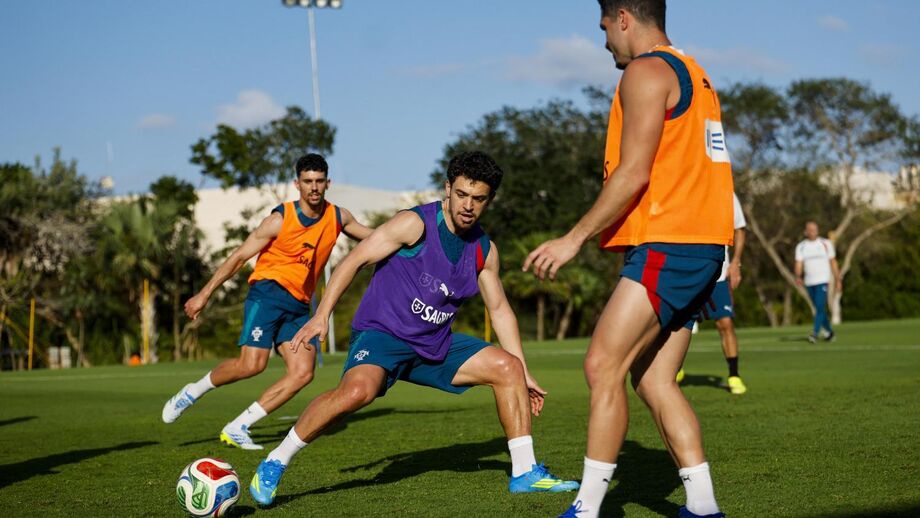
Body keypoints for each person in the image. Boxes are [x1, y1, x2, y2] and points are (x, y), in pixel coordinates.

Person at [248, 151, 579, 506]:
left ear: (490, 200)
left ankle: (525, 472)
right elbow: (354, 260)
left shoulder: (484, 250)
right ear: (447, 188)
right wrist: (322, 315)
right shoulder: (414, 224)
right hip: (383, 334)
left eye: (478, 198)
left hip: (434, 344)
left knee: (508, 367)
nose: (468, 205)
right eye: (462, 194)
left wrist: (524, 373)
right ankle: (276, 460)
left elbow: (500, 311)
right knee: (358, 392)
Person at [524, 1, 733, 516]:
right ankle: (703, 506)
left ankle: (587, 508)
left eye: (603, 28)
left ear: (622, 18)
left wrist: (573, 238)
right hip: (702, 246)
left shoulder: (646, 70)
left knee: (602, 365)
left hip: (671, 244)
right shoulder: (695, 72)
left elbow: (634, 171)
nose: (604, 42)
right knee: (653, 379)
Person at [161, 153, 372, 450]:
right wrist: (204, 294)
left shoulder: (339, 217)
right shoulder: (279, 219)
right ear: (297, 184)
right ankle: (193, 391)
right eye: (307, 181)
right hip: (268, 294)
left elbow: (376, 238)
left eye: (319, 181)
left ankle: (239, 426)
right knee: (252, 365)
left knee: (303, 373)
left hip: (299, 305)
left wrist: (414, 236)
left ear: (328, 183)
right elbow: (239, 257)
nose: (313, 187)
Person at [678, 193, 748, 395]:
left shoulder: (726, 193)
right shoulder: (686, 188)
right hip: (687, 271)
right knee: (677, 324)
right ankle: (674, 368)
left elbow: (739, 229)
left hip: (718, 273)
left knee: (725, 323)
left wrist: (735, 262)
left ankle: (734, 375)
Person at [795, 221, 840, 342]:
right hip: (809, 282)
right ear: (806, 232)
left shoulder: (826, 244)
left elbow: (833, 262)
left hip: (823, 280)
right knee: (819, 309)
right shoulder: (801, 246)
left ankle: (815, 333)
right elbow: (799, 263)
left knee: (819, 306)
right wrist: (798, 276)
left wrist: (838, 279)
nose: (812, 232)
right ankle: (830, 332)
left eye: (814, 230)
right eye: (810, 230)